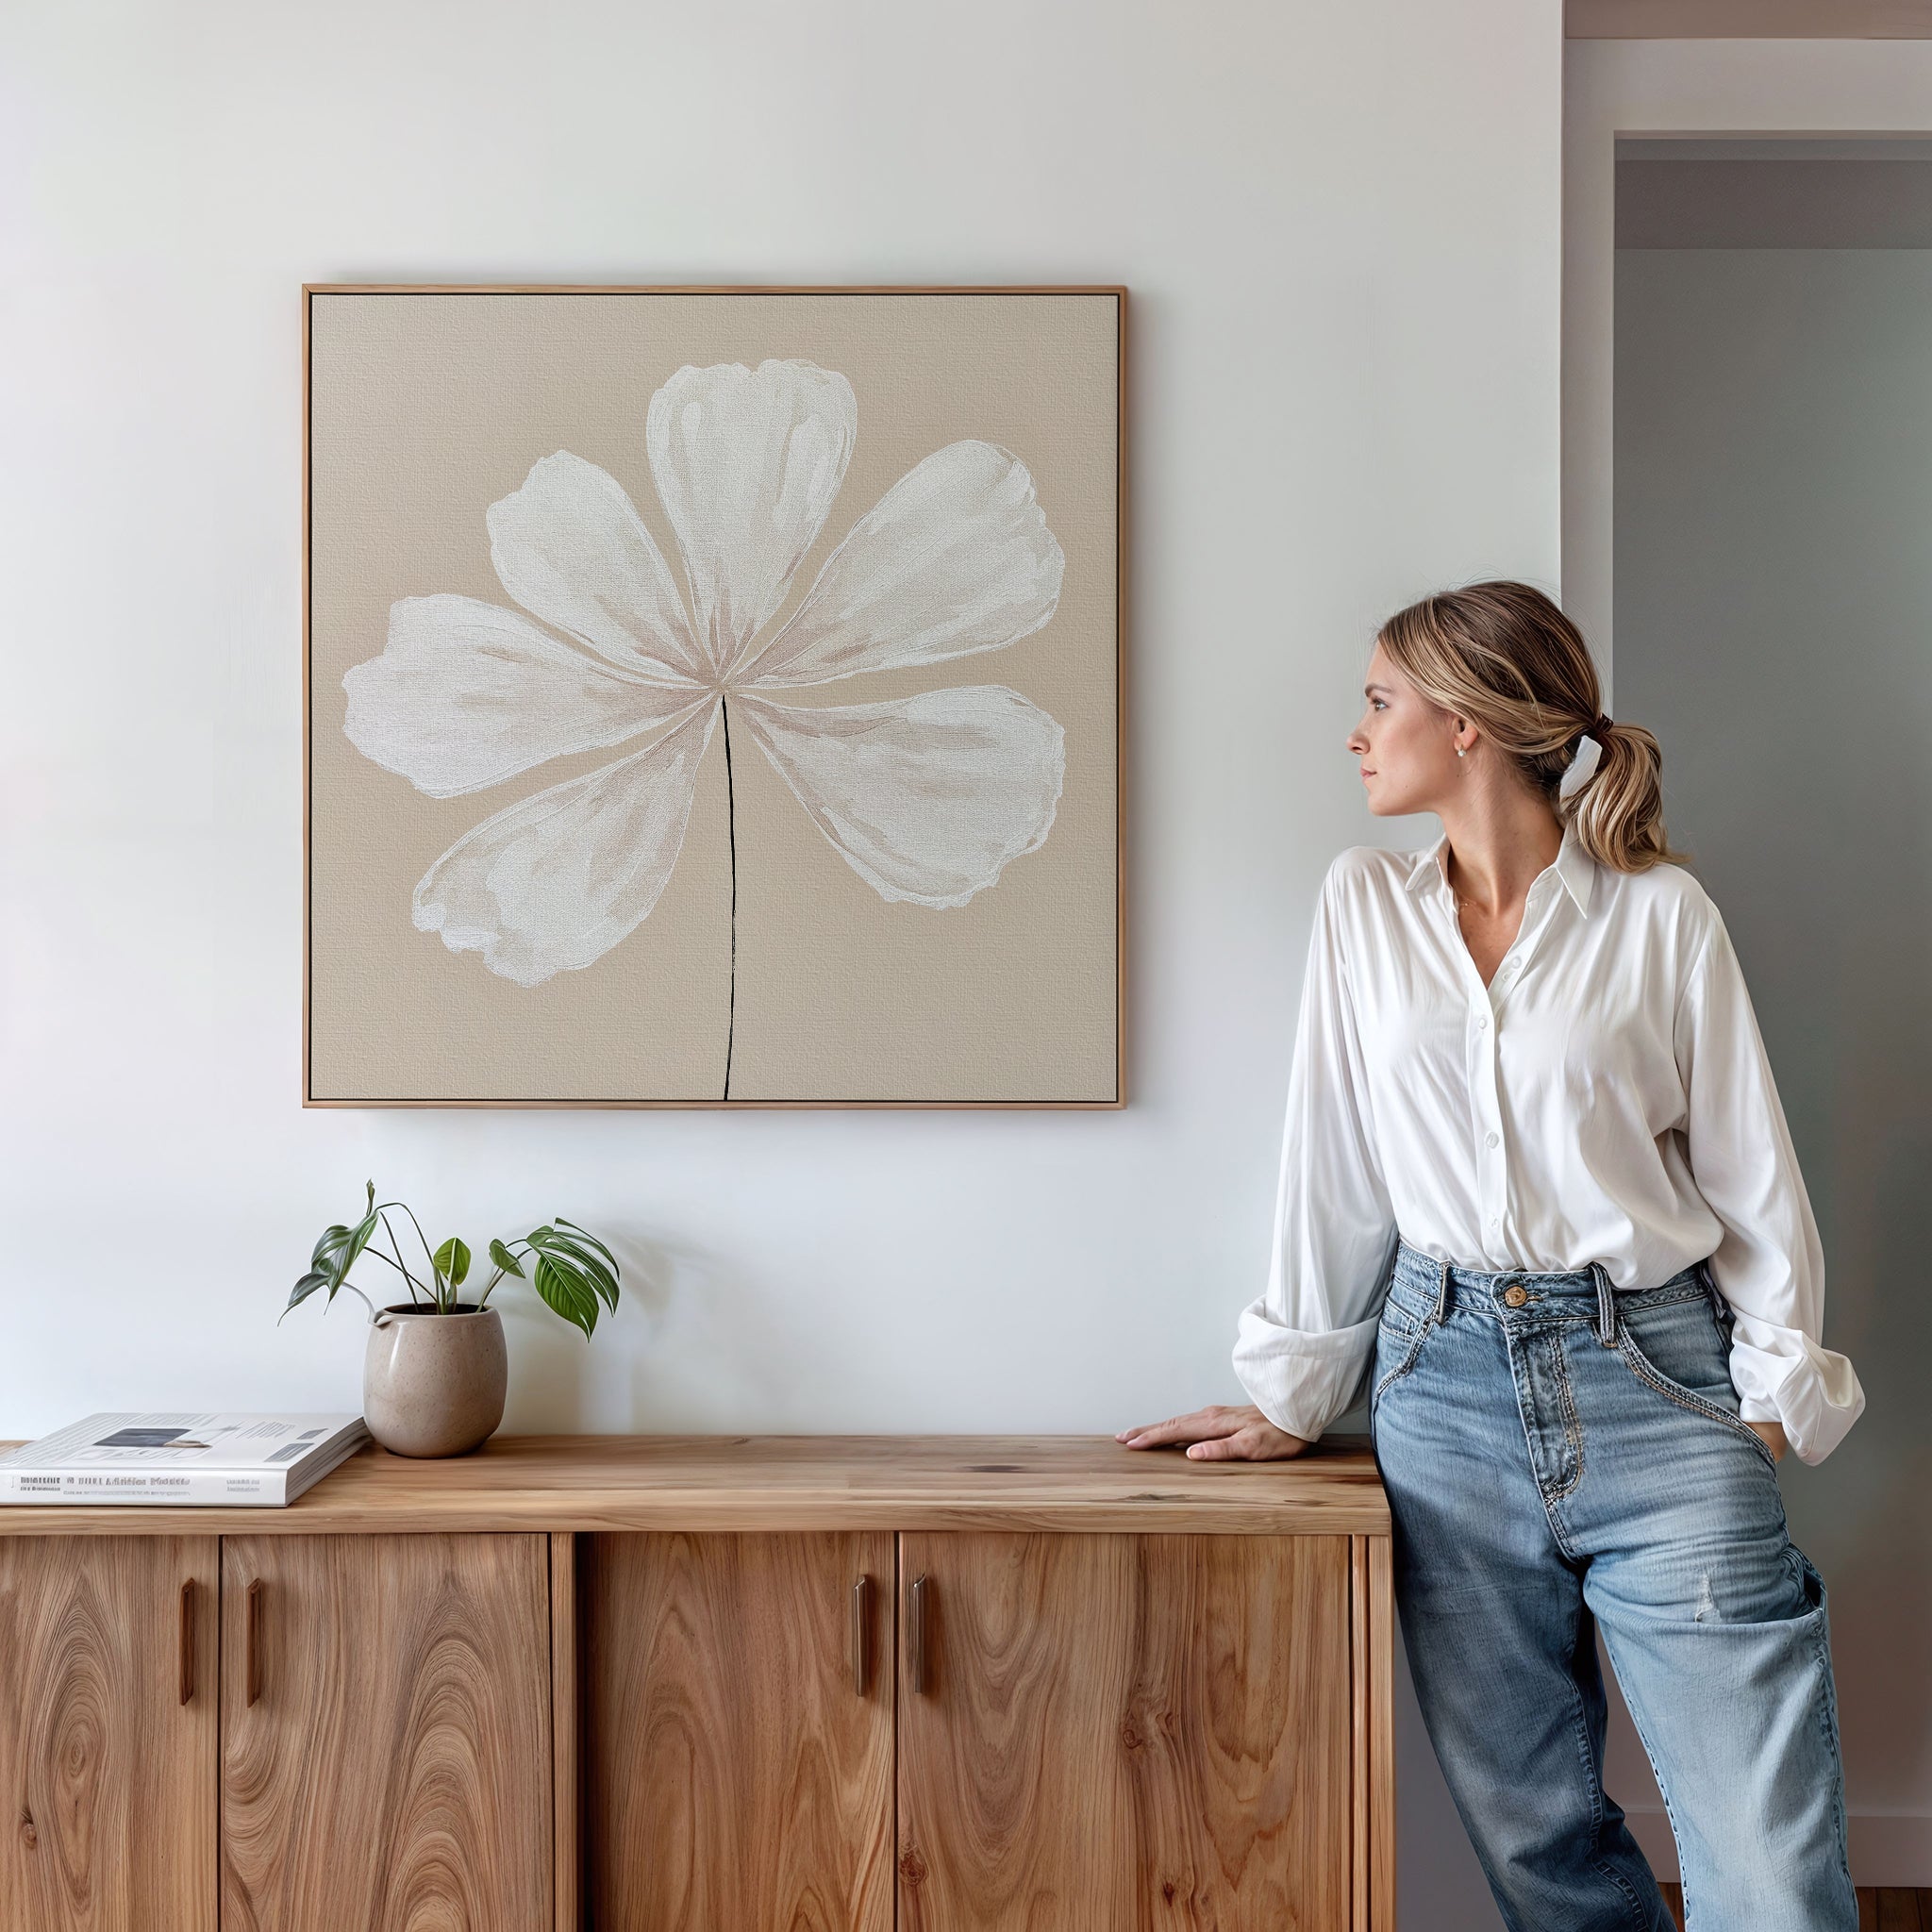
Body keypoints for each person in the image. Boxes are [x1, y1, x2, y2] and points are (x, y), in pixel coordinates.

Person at [1117, 581, 1865, 1931]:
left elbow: (1752, 1172)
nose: (1357, 734)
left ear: (1466, 723)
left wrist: (1765, 1403)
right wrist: (1296, 1389)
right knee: (1538, 1846)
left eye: (1379, 701)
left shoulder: (1661, 916)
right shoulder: (1362, 906)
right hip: (1443, 1392)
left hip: (1658, 1380)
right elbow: (1334, 1163)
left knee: (1768, 1865)